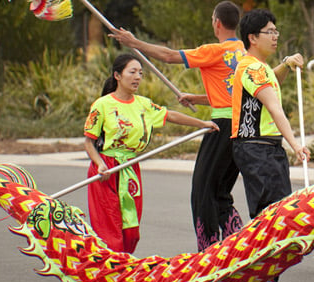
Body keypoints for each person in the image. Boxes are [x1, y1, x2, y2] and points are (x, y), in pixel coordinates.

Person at [109, 2, 247, 252]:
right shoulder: (243, 52)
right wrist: (197, 97)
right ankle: (238, 245)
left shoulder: (214, 51)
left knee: (202, 191)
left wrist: (135, 43)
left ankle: (209, 250)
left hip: (222, 125)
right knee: (220, 192)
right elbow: (235, 92)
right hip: (242, 126)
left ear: (217, 22)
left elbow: (170, 56)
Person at [83, 53, 219, 254]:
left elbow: (170, 115)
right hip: (106, 170)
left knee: (131, 231)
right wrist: (100, 164)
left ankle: (122, 268)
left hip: (129, 168)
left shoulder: (143, 104)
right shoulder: (102, 105)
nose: (138, 77)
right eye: (132, 72)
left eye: (140, 73)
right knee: (109, 229)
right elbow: (89, 142)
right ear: (117, 76)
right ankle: (111, 275)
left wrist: (202, 123)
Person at [231, 8, 311, 282]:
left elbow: (271, 83)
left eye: (277, 31)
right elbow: (274, 107)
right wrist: (295, 144)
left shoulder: (261, 68)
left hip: (266, 147)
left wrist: (287, 64)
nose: (276, 36)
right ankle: (258, 279)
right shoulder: (251, 67)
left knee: (278, 212)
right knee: (270, 214)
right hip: (256, 147)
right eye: (270, 32)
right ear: (252, 38)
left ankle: (260, 278)